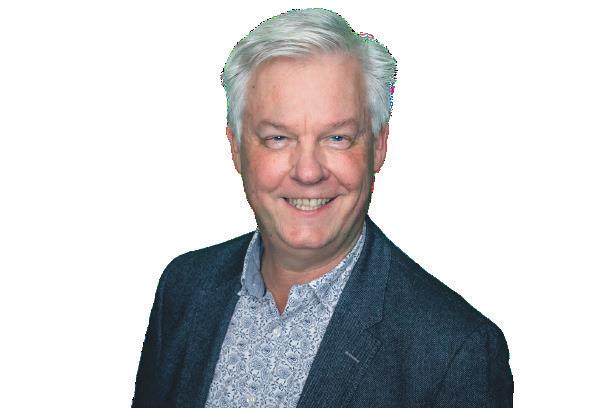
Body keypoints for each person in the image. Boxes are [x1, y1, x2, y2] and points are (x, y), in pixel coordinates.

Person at [132, 8, 513, 408]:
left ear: (378, 146)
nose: (308, 172)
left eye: (337, 137)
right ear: (237, 148)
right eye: (278, 138)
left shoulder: (455, 351)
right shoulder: (184, 288)